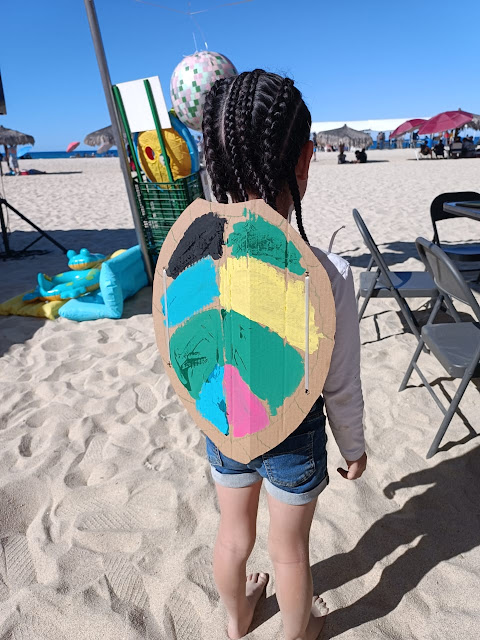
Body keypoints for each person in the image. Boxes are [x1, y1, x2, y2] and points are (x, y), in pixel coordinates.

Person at [202, 69, 367, 640]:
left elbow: (189, 352)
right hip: (294, 431)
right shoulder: (328, 273)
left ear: (216, 161)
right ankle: (299, 633)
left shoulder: (200, 258)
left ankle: (236, 619)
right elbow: (340, 381)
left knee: (232, 536)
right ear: (304, 158)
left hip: (225, 418)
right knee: (289, 549)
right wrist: (353, 444)